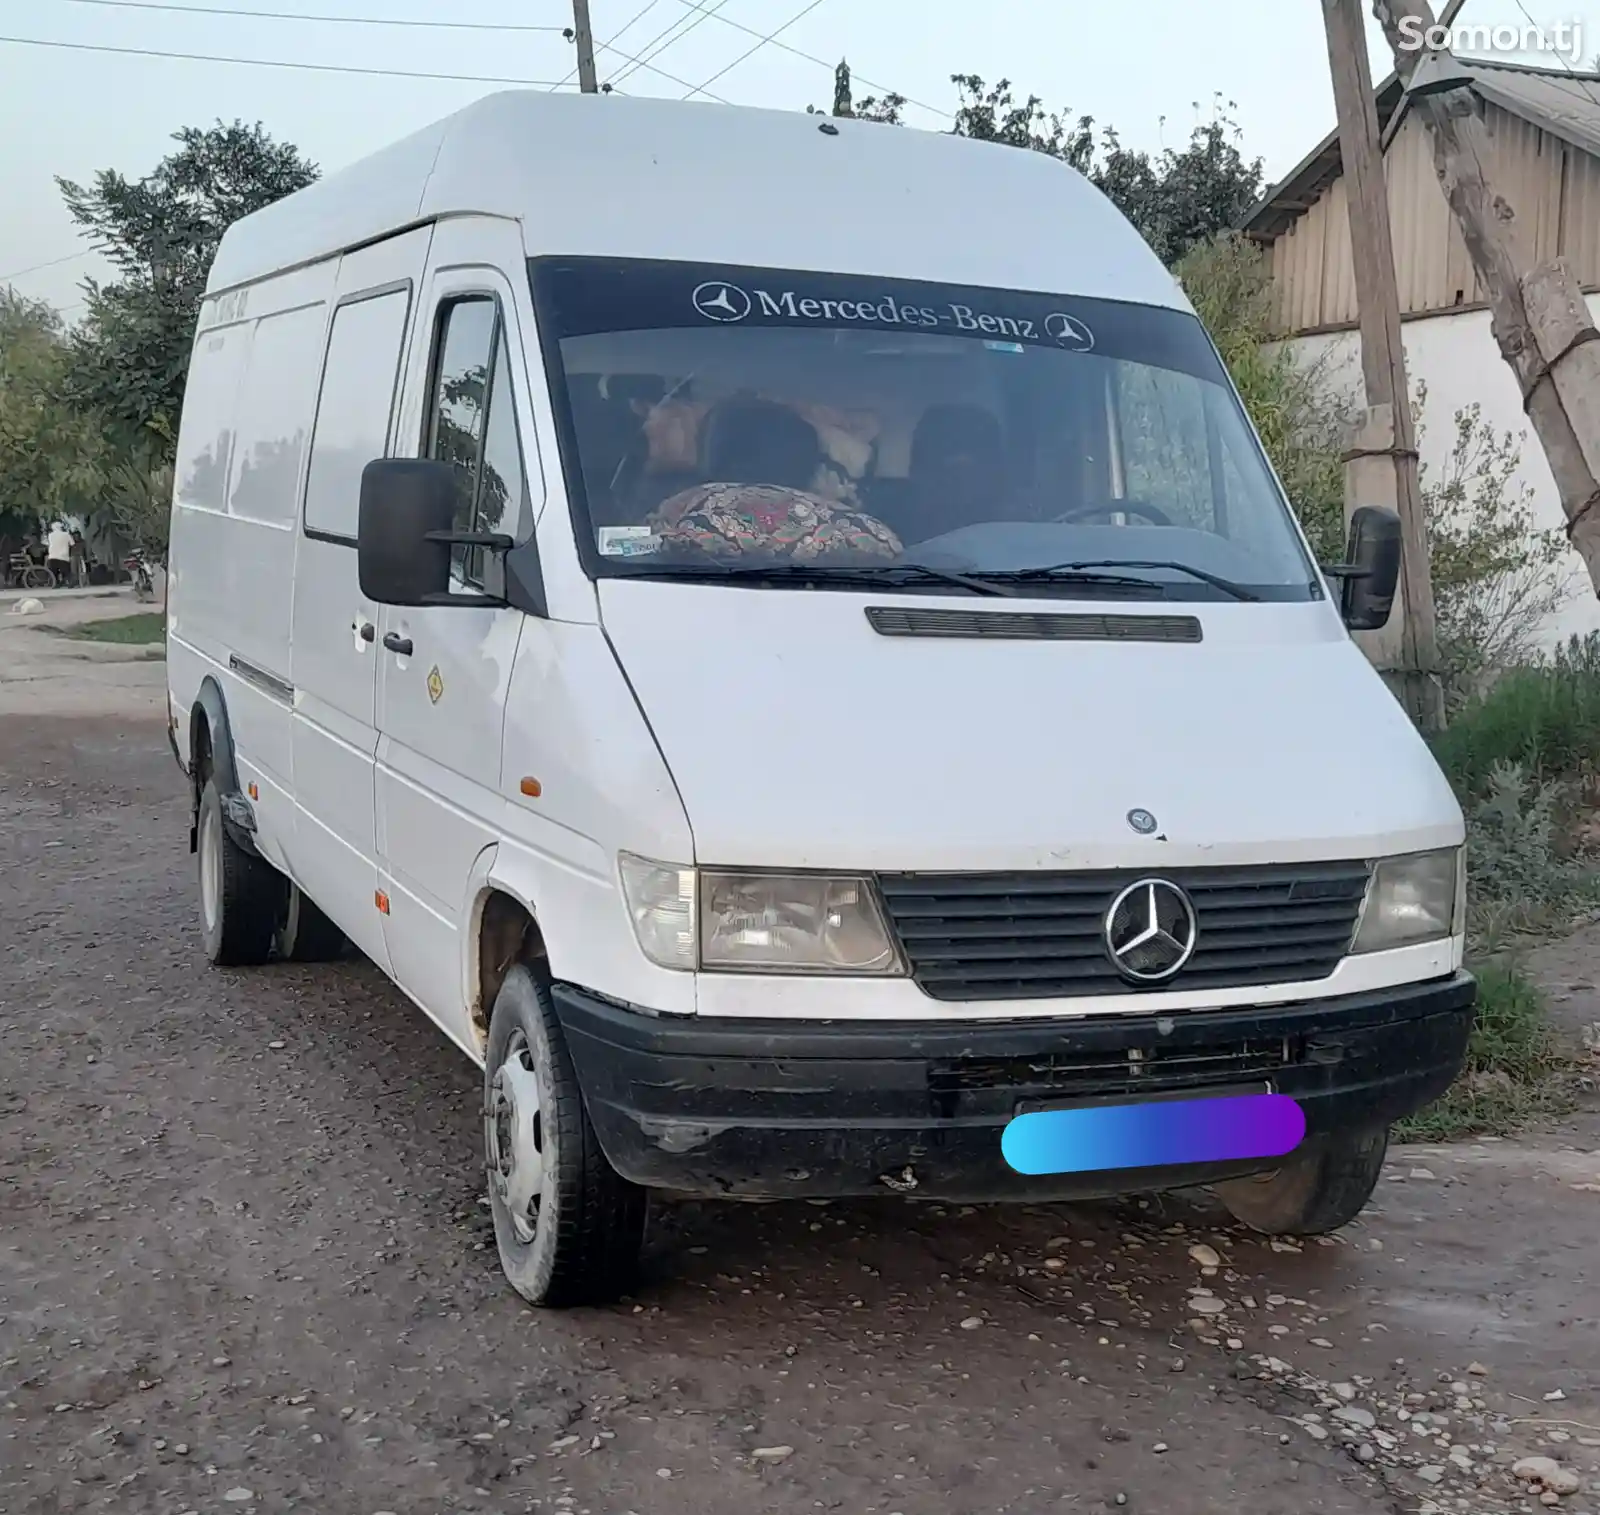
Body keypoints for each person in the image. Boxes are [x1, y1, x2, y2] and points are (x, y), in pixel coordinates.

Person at [46, 521, 73, 588]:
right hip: (63, 556)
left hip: (53, 555)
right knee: (66, 571)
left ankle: (56, 584)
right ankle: (70, 583)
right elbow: (72, 544)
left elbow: (48, 544)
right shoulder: (66, 534)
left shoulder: (50, 535)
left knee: (54, 572)